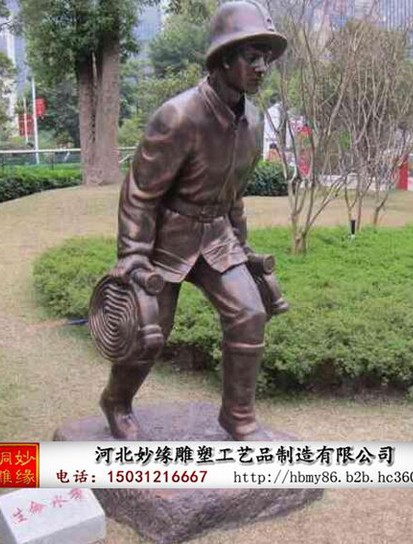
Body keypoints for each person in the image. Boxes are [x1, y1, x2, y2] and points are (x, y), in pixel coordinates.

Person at [102, 1, 288, 442]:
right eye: (251, 56)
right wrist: (133, 257)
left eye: (266, 58)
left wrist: (242, 245)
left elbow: (234, 194)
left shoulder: (254, 121)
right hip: (167, 238)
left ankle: (238, 417)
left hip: (217, 237)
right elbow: (140, 193)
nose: (261, 67)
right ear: (222, 59)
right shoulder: (179, 116)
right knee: (149, 330)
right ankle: (117, 402)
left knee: (250, 313)